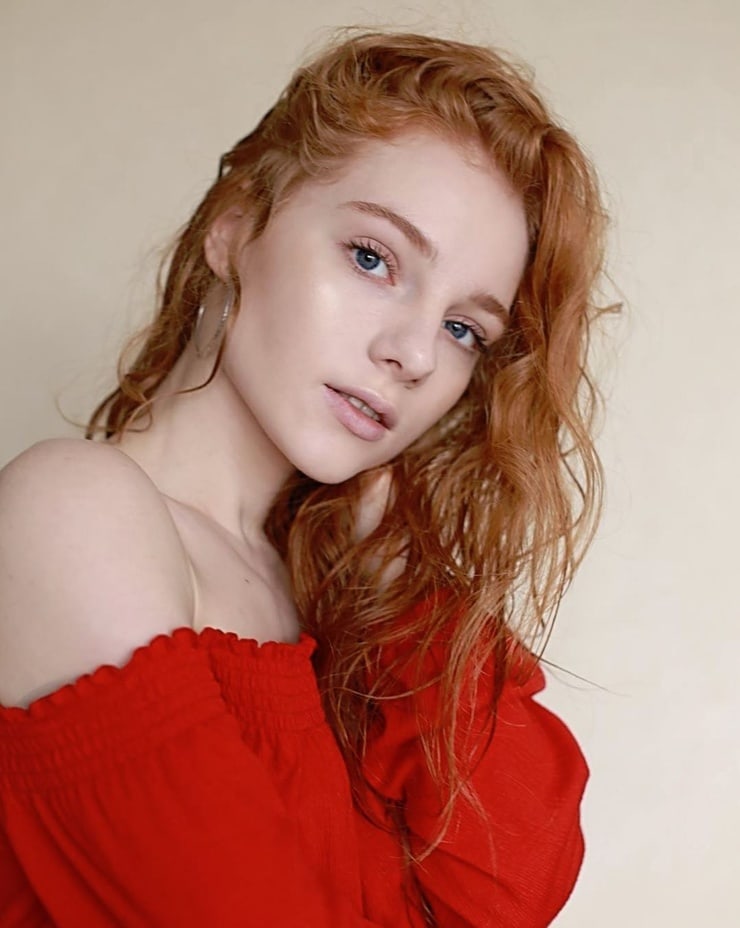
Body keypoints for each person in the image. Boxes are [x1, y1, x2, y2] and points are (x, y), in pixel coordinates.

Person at [0, 29, 607, 928]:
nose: (412, 354)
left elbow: (499, 893)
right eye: (373, 258)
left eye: (463, 330)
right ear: (235, 227)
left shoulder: (326, 597)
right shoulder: (74, 512)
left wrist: (401, 578)